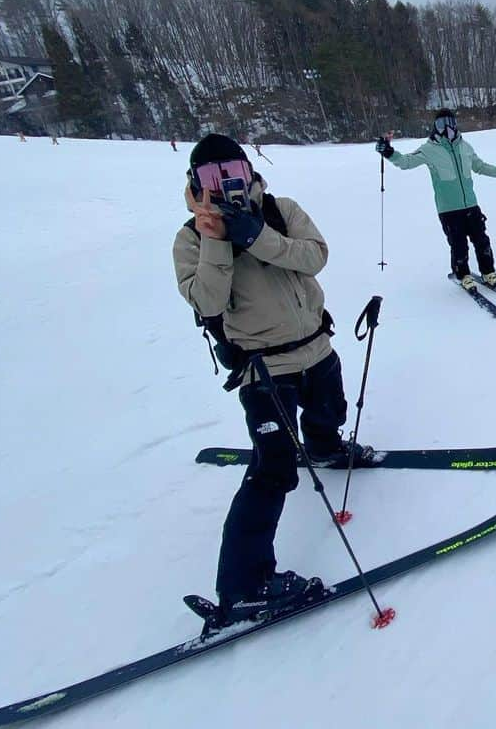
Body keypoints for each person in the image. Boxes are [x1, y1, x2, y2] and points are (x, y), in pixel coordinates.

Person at [173, 133, 367, 630]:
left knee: (329, 409)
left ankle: (324, 445)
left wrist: (257, 234)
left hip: (316, 345)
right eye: (214, 178)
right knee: (273, 470)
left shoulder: (280, 209)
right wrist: (218, 239)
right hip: (264, 369)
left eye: (233, 172)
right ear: (197, 185)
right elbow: (207, 303)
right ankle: (243, 587)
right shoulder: (190, 239)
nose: (228, 185)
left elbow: (315, 257)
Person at [376, 109, 496, 289]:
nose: (447, 127)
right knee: (459, 245)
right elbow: (406, 162)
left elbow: (479, 166)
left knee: (482, 240)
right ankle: (463, 274)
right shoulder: (429, 149)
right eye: (442, 123)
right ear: (436, 126)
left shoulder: (465, 146)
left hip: (471, 205)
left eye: (450, 122)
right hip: (449, 209)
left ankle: (488, 272)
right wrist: (389, 152)